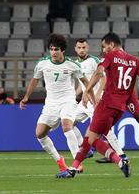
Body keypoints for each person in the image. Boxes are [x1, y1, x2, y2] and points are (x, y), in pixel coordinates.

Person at [56, 32, 139, 178]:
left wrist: (89, 89)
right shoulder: (136, 61)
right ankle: (73, 169)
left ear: (111, 44)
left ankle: (119, 161)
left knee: (91, 139)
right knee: (90, 138)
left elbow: (99, 73)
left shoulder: (110, 56)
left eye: (104, 46)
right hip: (120, 108)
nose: (104, 50)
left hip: (106, 104)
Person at [20, 33, 88, 173]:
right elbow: (34, 80)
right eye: (51, 49)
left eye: (56, 49)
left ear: (62, 50)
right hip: (50, 104)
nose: (53, 52)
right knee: (39, 134)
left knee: (66, 125)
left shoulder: (72, 65)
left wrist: (91, 97)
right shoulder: (42, 64)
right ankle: (59, 160)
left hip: (67, 101)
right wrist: (26, 96)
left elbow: (86, 82)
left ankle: (77, 162)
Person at [72, 38, 125, 163]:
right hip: (85, 100)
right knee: (69, 123)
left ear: (88, 48)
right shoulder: (75, 64)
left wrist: (97, 94)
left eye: (84, 47)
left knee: (104, 129)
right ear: (75, 49)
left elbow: (104, 78)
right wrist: (75, 95)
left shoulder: (94, 60)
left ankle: (121, 155)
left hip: (96, 99)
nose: (81, 50)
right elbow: (82, 84)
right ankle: (86, 149)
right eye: (79, 48)